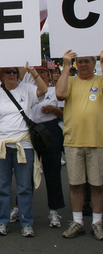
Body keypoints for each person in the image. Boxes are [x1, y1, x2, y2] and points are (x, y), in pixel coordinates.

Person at [0, 61, 47, 237]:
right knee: (2, 187)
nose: (12, 74)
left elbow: (43, 90)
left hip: (23, 146)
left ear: (19, 74)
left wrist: (33, 71)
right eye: (8, 72)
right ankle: (2, 222)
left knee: (24, 187)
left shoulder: (26, 89)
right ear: (2, 75)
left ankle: (26, 222)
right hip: (2, 145)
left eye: (15, 72)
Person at [56, 50, 103, 241]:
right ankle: (78, 222)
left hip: (97, 141)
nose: (83, 64)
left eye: (87, 61)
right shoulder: (71, 81)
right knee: (75, 184)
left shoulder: (99, 80)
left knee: (97, 185)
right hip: (73, 141)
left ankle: (97, 222)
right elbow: (59, 94)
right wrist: (66, 66)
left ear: (94, 63)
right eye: (80, 61)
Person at [26, 66, 65, 228]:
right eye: (37, 72)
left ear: (49, 76)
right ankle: (20, 207)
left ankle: (54, 211)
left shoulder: (56, 91)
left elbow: (66, 114)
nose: (40, 75)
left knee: (52, 171)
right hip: (31, 130)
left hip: (50, 131)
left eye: (43, 73)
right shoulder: (28, 91)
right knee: (26, 172)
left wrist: (54, 110)